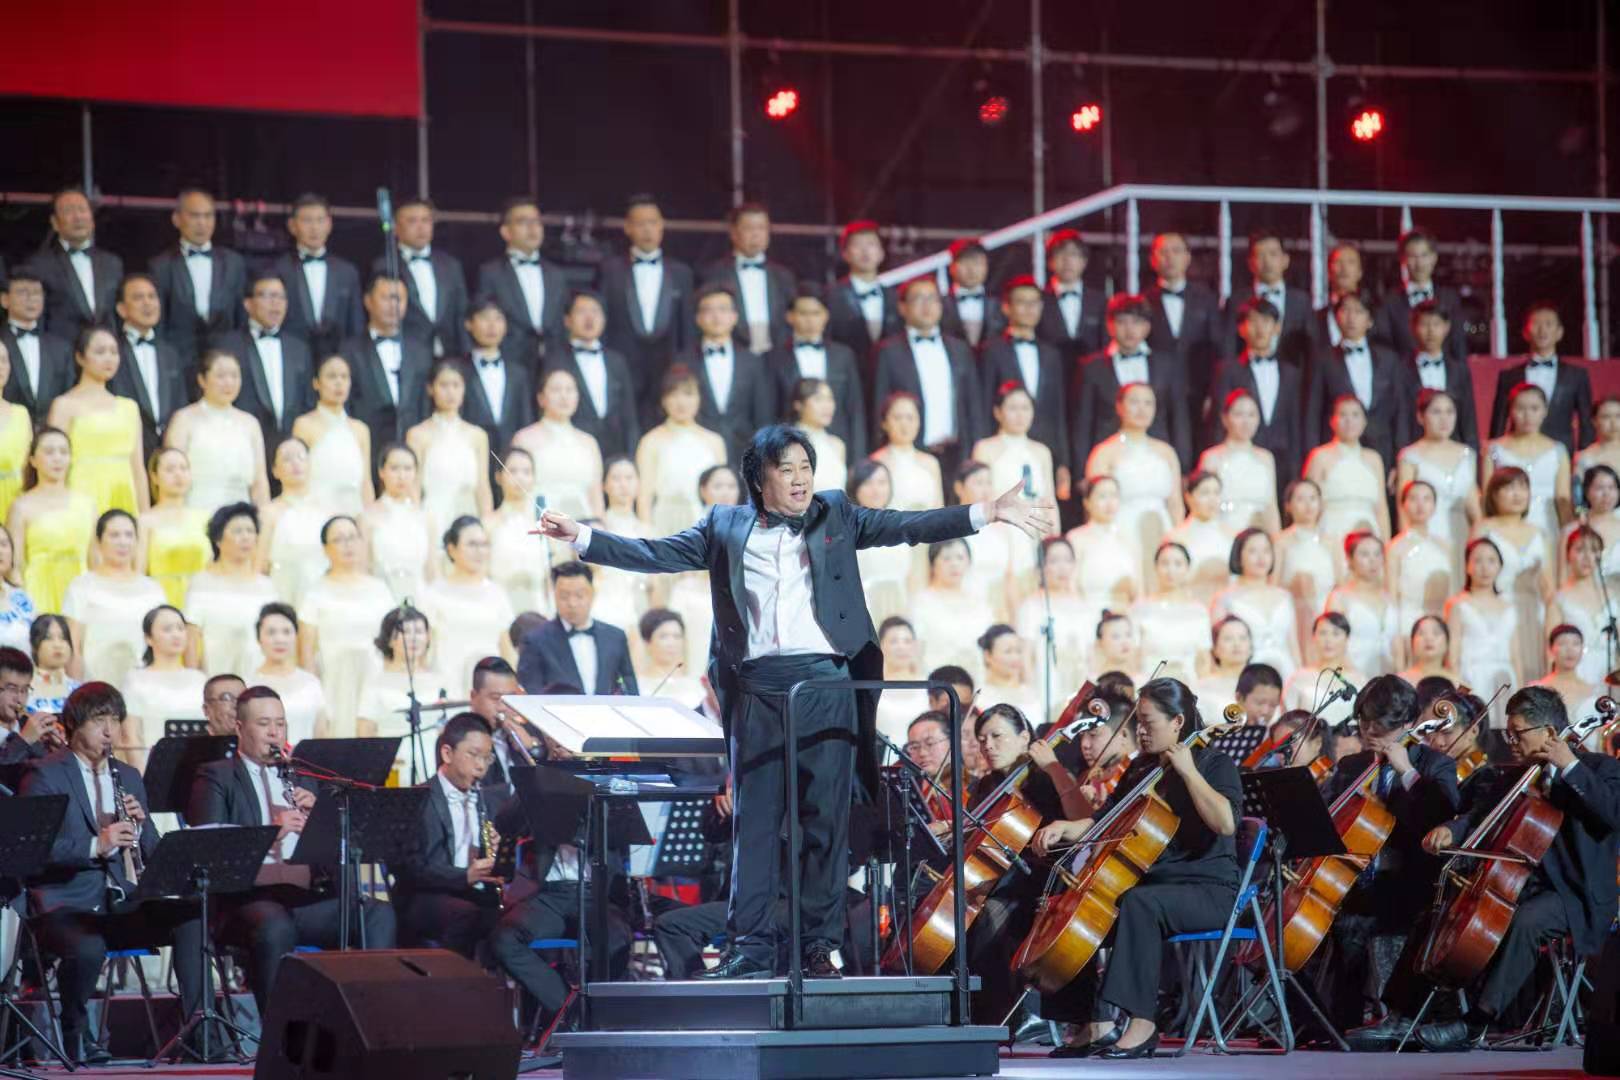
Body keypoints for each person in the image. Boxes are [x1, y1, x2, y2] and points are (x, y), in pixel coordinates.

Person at [533, 423, 1052, 980]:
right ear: (760, 479)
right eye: (787, 469)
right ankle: (749, 948)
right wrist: (582, 536)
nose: (801, 479)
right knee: (754, 825)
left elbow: (907, 526)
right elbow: (655, 553)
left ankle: (819, 947)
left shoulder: (836, 514)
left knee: (824, 824)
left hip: (825, 686)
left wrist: (986, 512)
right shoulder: (724, 525)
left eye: (806, 467)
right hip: (757, 690)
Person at [1032, 678, 1242, 1059]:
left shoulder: (1214, 763)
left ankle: (1143, 1024)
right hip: (1154, 884)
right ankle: (1092, 1022)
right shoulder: (1142, 767)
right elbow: (1106, 822)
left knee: (1139, 904)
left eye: (1148, 723)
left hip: (1208, 888)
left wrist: (1189, 772)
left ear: (1178, 722)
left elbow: (1226, 823)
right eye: (1138, 723)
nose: (1140, 731)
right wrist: (1066, 828)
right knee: (1080, 905)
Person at [1409, 687, 1620, 1051]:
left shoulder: (1602, 769)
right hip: (1524, 884)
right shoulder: (1518, 776)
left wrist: (1569, 765)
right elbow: (1481, 815)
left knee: (1527, 920)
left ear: (1549, 733)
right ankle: (1411, 1011)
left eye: (1517, 734)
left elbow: (1612, 813)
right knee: (1439, 906)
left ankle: (1476, 1022)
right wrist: (1452, 829)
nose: (1511, 743)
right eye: (1508, 734)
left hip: (1577, 893)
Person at [21, 682, 206, 1065]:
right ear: (73, 726)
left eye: (115, 721)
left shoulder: (128, 775)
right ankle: (77, 1032)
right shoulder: (44, 775)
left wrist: (140, 826)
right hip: (66, 904)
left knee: (191, 918)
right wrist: (97, 844)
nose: (109, 731)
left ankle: (197, 1032)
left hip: (120, 902)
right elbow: (35, 850)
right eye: (98, 721)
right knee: (88, 947)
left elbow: (153, 851)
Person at [187, 686, 396, 1019]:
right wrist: (273, 832)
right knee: (275, 926)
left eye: (281, 724)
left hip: (303, 898)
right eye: (264, 724)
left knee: (375, 913)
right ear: (240, 728)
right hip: (246, 900)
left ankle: (371, 1018)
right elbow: (211, 850)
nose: (275, 732)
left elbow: (332, 849)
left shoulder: (301, 776)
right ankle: (278, 1033)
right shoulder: (216, 776)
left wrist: (321, 820)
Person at [1323, 675, 1461, 1038]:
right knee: (1331, 917)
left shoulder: (1433, 765)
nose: (1370, 731)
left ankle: (1392, 1017)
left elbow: (1443, 813)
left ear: (1408, 723)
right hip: (1356, 879)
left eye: (1381, 725)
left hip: (1409, 884)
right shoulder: (1352, 766)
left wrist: (1406, 772)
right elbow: (1324, 821)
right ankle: (1335, 1022)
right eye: (1364, 721)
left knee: (1361, 920)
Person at [956, 705, 1075, 1026]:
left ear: (1024, 738)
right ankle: (961, 1005)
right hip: (999, 877)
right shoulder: (986, 785)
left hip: (1041, 879)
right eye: (982, 740)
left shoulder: (1045, 778)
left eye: (997, 736)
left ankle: (1000, 1015)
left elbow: (1080, 820)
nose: (988, 746)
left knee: (990, 912)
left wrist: (1054, 770)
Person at [393, 711, 510, 957]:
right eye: (473, 755)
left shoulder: (487, 800)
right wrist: (464, 876)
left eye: (487, 758)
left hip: (472, 892)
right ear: (447, 753)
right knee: (465, 915)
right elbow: (409, 868)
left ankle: (490, 980)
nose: (481, 766)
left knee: (513, 919)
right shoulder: (418, 798)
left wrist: (498, 851)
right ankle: (455, 980)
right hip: (424, 896)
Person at [872, 277, 983, 482]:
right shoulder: (888, 351)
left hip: (958, 453)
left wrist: (975, 452)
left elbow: (973, 405)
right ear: (902, 307)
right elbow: (880, 405)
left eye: (932, 298)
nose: (927, 305)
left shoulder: (960, 349)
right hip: (910, 454)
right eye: (918, 299)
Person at [298, 516, 396, 736]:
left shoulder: (380, 589)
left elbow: (394, 644)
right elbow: (307, 656)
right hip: (334, 687)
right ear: (325, 549)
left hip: (375, 684)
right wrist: (317, 703)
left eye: (352, 537)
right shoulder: (315, 593)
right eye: (339, 539)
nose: (348, 545)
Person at [1072, 292, 1190, 474]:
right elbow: (1083, 422)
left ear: (1147, 327)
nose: (1129, 329)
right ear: (1109, 325)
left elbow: (1179, 419)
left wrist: (1184, 467)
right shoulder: (1092, 367)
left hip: (1156, 458)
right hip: (1108, 461)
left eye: (1136, 322)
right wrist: (1081, 472)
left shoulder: (1166, 365)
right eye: (1121, 322)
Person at [597, 193, 695, 408]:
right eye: (640, 224)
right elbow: (603, 320)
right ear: (628, 228)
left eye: (653, 223)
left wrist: (684, 366)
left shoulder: (681, 272)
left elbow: (687, 328)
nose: (647, 230)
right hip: (624, 366)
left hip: (669, 368)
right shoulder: (610, 270)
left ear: (662, 226)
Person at [1085, 383, 1184, 582]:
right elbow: (1094, 506)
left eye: (1148, 403)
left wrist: (1178, 540)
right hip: (1122, 529)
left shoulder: (1166, 452)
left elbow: (1175, 503)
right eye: (1134, 402)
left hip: (1161, 528)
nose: (1142, 409)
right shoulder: (1104, 453)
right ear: (1119, 406)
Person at [979, 276, 1069, 494]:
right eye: (1021, 302)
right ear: (1006, 307)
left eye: (1034, 303)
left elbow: (1058, 410)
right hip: (1002, 448)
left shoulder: (1051, 354)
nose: (1029, 309)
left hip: (1043, 448)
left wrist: (1063, 461)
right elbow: (984, 403)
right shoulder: (992, 351)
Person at [210, 273, 315, 455]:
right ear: (248, 304)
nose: (276, 303)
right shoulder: (229, 345)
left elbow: (308, 402)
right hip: (241, 445)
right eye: (267, 296)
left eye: (281, 297)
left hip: (291, 451)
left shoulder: (299, 348)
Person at [62, 510, 166, 690]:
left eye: (129, 535)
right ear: (99, 541)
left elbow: (162, 647)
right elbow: (73, 648)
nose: (123, 542)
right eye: (114, 535)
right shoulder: (81, 586)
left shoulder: (153, 589)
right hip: (95, 687)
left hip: (143, 688)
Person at [50, 327, 148, 516]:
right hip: (81, 492)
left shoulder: (129, 407)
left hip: (123, 492)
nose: (109, 358)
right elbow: (53, 460)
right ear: (80, 357)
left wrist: (144, 516)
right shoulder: (64, 405)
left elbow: (138, 469)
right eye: (100, 352)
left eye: (114, 352)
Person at [1206, 299, 1305, 484]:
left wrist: (1296, 471)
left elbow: (1295, 425)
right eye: (1253, 321)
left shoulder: (1291, 373)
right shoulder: (1228, 371)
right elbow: (1219, 420)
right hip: (1240, 458)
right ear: (1241, 329)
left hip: (1283, 461)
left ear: (1277, 328)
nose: (1260, 329)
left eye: (1266, 321)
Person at [1474, 467, 1556, 681]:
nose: (1517, 494)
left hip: (1533, 612)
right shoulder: (1484, 529)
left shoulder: (1539, 532)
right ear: (1494, 494)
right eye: (1509, 487)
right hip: (1496, 612)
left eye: (1522, 487)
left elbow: (1548, 585)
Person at [163, 350, 270, 514]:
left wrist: (263, 518)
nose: (229, 382)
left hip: (241, 517)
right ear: (202, 380)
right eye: (220, 376)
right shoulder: (184, 419)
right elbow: (171, 474)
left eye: (234, 376)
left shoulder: (250, 423)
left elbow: (259, 482)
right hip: (195, 512)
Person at [418, 516, 515, 694]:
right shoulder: (433, 594)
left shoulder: (497, 593)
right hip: (448, 690)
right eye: (472, 544)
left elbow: (507, 649)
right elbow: (422, 653)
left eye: (484, 544)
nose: (479, 551)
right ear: (451, 549)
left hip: (491, 692)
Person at [151, 188, 247, 364]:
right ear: (176, 219)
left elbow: (241, 319)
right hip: (178, 360)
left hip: (224, 360)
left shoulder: (234, 263)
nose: (202, 223)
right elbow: (159, 322)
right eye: (194, 216)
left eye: (208, 216)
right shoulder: (161, 266)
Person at [1395, 388, 1480, 585]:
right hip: (1425, 533)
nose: (1444, 419)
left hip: (1460, 534)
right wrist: (1408, 546)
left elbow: (1474, 506)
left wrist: (1478, 541)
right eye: (1436, 412)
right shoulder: (1410, 456)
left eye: (1450, 412)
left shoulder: (1467, 455)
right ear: (1420, 417)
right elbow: (1403, 506)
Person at [772, 282, 866, 459]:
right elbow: (770, 410)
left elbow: (854, 408)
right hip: (789, 448)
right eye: (803, 313)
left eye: (815, 313)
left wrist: (858, 458)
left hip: (838, 446)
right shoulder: (774, 358)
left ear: (825, 316)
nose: (810, 320)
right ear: (790, 316)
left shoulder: (844, 356)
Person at [1307, 293, 1400, 471]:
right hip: (1335, 451)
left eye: (1358, 311)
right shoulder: (1323, 360)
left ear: (1370, 320)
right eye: (1345, 311)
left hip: (1382, 450)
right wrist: (1313, 455)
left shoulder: (1389, 359)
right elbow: (1313, 411)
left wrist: (1398, 460)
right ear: (1336, 318)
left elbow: (1399, 411)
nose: (1351, 318)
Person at [1485, 381, 1571, 572]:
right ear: (1511, 411)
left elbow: (1562, 499)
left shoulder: (1558, 450)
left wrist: (1569, 536)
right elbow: (1487, 497)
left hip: (1547, 525)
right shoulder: (1494, 450)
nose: (1527, 415)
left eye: (1534, 408)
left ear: (1545, 411)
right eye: (1520, 408)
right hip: (1504, 526)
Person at [544, 289, 639, 461]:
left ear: (604, 319)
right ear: (567, 320)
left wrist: (631, 456)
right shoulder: (555, 361)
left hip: (616, 455)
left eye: (595, 311)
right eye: (581, 311)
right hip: (571, 452)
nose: (589, 318)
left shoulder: (616, 361)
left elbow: (629, 415)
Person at [9, 428, 96, 614]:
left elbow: (95, 559)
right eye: (49, 452)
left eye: (64, 452)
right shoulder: (21, 506)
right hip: (37, 595)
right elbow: (14, 565)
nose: (57, 458)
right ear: (33, 460)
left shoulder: (87, 504)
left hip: (80, 593)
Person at [516, 562, 636, 696]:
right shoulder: (535, 641)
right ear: (554, 596)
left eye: (579, 595)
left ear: (592, 594)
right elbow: (531, 694)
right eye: (564, 596)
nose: (572, 603)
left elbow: (630, 689)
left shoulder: (615, 637)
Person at [1490, 302, 1594, 456]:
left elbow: (1586, 423)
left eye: (1548, 324)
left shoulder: (1576, 376)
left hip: (1561, 455)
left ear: (1559, 332)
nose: (1542, 330)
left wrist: (1584, 458)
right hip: (1518, 453)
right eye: (1536, 324)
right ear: (1525, 333)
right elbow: (1498, 423)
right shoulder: (1509, 376)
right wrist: (1493, 455)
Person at [354, 605, 447, 776]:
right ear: (390, 640)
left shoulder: (439, 681)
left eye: (419, 631)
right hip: (394, 768)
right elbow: (365, 735)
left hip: (433, 767)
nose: (413, 638)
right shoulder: (376, 682)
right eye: (405, 632)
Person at [634, 366, 728, 535]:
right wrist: (647, 537)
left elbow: (724, 494)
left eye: (688, 394)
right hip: (665, 523)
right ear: (664, 400)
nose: (681, 402)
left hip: (706, 524)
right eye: (674, 395)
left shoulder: (715, 441)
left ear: (699, 398)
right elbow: (644, 496)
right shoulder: (651, 441)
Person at [186, 503, 276, 678]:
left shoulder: (267, 586)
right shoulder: (202, 583)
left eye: (250, 531)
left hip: (258, 679)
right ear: (218, 539)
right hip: (215, 677)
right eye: (237, 531)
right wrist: (193, 680)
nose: (245, 537)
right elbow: (191, 640)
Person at [372, 196, 468, 357]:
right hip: (405, 355)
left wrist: (466, 355)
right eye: (412, 221)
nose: (421, 227)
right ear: (395, 227)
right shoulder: (385, 265)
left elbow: (461, 313)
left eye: (426, 220)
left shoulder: (451, 265)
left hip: (449, 355)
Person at [341, 274, 430, 448]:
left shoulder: (421, 351)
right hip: (365, 446)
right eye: (386, 298)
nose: (393, 305)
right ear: (368, 301)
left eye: (399, 299)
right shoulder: (349, 350)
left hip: (413, 449)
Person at [271, 193, 364, 357]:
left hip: (338, 361)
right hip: (292, 359)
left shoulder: (347, 272)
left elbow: (356, 325)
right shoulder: (278, 269)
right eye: (307, 220)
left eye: (320, 220)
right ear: (292, 226)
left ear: (329, 224)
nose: (314, 228)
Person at [476, 197, 568, 363]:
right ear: (506, 232)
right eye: (523, 222)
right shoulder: (490, 272)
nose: (532, 228)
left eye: (536, 222)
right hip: (509, 360)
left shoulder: (557, 274)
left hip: (552, 362)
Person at [23, 187, 123, 338]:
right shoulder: (39, 265)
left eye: (82, 210)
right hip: (61, 349)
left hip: (106, 349)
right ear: (55, 223)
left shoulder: (112, 264)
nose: (78, 217)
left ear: (92, 219)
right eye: (69, 211)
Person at [1145, 232, 1222, 427]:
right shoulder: (1144, 301)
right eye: (1163, 252)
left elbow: (1217, 348)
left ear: (1187, 258)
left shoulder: (1207, 299)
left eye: (1176, 251)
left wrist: (1213, 392)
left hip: (1198, 391)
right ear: (1152, 260)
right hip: (1156, 392)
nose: (1170, 257)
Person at [1064, 476, 1142, 665]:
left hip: (1125, 620)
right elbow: (1071, 587)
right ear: (1087, 502)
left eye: (1114, 496)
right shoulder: (1076, 538)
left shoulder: (1129, 537)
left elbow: (1140, 590)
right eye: (1102, 496)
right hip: (1088, 617)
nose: (1109, 503)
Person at [700, 202, 795, 355]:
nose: (756, 234)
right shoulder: (715, 273)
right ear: (733, 233)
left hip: (776, 355)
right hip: (733, 355)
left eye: (762, 228)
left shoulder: (783, 276)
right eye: (749, 228)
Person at [1306, 395, 1391, 561]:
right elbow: (1310, 504)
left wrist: (1385, 545)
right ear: (1332, 421)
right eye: (1343, 415)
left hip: (1369, 531)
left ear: (1364, 422)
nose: (1349, 421)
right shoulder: (1320, 456)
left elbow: (1381, 508)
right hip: (1332, 530)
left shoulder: (1374, 459)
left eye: (1355, 415)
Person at [407, 361, 493, 527]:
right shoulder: (417, 435)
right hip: (433, 517)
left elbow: (482, 486)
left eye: (456, 385)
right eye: (444, 385)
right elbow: (414, 486)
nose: (450, 392)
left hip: (469, 517)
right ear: (430, 389)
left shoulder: (478, 435)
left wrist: (486, 523)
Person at [1445, 538, 1520, 727]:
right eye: (1478, 561)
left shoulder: (1509, 605)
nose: (1485, 568)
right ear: (1467, 566)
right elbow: (1452, 655)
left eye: (1491, 561)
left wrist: (1520, 692)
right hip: (1473, 678)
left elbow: (1516, 655)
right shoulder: (1458, 604)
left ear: (1500, 566)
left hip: (1505, 679)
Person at [513, 368, 604, 521]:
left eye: (570, 390)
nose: (564, 396)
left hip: (583, 524)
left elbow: (596, 496)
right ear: (541, 398)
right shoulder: (524, 439)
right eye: (556, 390)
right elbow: (516, 492)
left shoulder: (589, 442)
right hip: (539, 522)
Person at [119, 604, 206, 765]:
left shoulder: (200, 680)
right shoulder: (136, 679)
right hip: (153, 767)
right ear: (148, 638)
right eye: (167, 629)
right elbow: (131, 737)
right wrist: (140, 776)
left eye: (180, 628)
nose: (176, 634)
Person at [1015, 537, 1093, 713]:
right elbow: (1025, 655)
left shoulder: (1084, 606)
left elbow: (1090, 655)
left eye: (1067, 560)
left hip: (1078, 686)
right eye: (1054, 561)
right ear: (1041, 567)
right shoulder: (1031, 606)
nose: (1062, 567)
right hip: (1044, 690)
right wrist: (1031, 695)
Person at [289, 354, 373, 514]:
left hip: (354, 512)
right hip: (316, 512)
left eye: (344, 377)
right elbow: (297, 476)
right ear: (316, 383)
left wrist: (368, 517)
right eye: (331, 376)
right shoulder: (304, 425)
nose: (339, 382)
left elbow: (366, 483)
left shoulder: (361, 429)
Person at [1393, 300, 1480, 452]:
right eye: (1424, 324)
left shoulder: (1459, 370)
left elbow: (1468, 418)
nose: (1431, 331)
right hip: (1415, 450)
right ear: (1413, 327)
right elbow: (1400, 419)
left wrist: (1472, 454)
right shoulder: (1399, 370)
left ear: (1447, 327)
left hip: (1453, 450)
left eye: (1436, 324)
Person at [1212, 529, 1299, 680]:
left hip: (1286, 671)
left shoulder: (1284, 596)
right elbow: (1217, 648)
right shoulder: (1225, 598)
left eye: (1266, 551)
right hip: (1246, 676)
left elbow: (1293, 646)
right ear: (1239, 556)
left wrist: (1298, 676)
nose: (1261, 557)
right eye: (1253, 551)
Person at [457, 297, 535, 464]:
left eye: (498, 318)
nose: (492, 326)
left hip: (511, 461)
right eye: (485, 318)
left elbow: (525, 419)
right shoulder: (458, 371)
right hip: (469, 457)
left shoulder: (519, 373)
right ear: (469, 324)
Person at [256, 437, 330, 607]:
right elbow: (260, 568)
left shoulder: (328, 510)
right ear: (275, 471)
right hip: (282, 597)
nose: (295, 463)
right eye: (287, 459)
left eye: (301, 457)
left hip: (322, 599)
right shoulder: (268, 513)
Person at [1223, 229, 1312, 367]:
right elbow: (1229, 348)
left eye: (1273, 254)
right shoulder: (1236, 301)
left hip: (1293, 377)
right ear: (1250, 263)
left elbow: (1311, 350)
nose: (1267, 261)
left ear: (1285, 260)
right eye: (1260, 255)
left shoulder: (1302, 301)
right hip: (1247, 376)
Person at [1196, 389, 1280, 534]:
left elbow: (1271, 507)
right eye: (1238, 414)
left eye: (1251, 415)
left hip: (1259, 534)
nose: (1245, 422)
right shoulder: (1211, 458)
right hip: (1222, 532)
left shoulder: (1266, 458)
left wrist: (1276, 539)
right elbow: (1202, 505)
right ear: (1225, 418)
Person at [359, 443, 435, 604]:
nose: (401, 476)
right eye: (394, 469)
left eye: (408, 469)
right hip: (380, 598)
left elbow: (431, 570)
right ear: (381, 472)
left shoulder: (425, 518)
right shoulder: (366, 517)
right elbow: (363, 569)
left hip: (420, 599)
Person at [1386, 481, 1454, 658]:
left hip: (1440, 621)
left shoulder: (1445, 546)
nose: (1420, 505)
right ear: (1403, 505)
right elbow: (1392, 596)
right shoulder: (1395, 547)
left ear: (1434, 505)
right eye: (1413, 499)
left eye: (1426, 499)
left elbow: (1451, 592)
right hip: (1408, 620)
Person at [1130, 541, 1212, 686]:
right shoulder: (1139, 608)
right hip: (1149, 684)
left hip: (1188, 686)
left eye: (1178, 564)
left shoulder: (1198, 611)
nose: (1171, 570)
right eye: (1165, 563)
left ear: (1187, 568)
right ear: (1155, 567)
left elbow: (1204, 660)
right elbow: (1132, 655)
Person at [138, 448, 212, 607]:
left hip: (200, 601)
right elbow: (139, 574)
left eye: (183, 468)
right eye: (170, 469)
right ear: (154, 477)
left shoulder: (205, 518)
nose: (178, 475)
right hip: (160, 603)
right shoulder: (145, 521)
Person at [1545, 526, 1617, 686]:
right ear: (1568, 554)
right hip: (1577, 672)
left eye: (1594, 550)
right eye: (1580, 550)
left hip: (1610, 671)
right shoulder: (1558, 599)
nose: (1587, 557)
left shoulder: (1612, 595)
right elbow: (1551, 652)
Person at [1, 270, 76, 423]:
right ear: (4, 300)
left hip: (53, 432)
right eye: (23, 292)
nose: (31, 299)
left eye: (37, 293)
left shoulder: (61, 348)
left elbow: (69, 393)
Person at [250, 604, 327, 746]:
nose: (280, 639)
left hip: (303, 759)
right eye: (271, 632)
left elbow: (321, 737)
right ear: (259, 638)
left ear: (296, 637)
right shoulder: (249, 685)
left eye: (286, 632)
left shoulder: (311, 683)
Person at [1327, 531, 1399, 678]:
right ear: (1350, 559)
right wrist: (1356, 679)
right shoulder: (1340, 598)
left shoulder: (1388, 598)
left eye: (1377, 554)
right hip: (1353, 676)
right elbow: (1334, 643)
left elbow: (1396, 643)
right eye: (1365, 554)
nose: (1373, 560)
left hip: (1388, 677)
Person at [826, 220, 900, 361]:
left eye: (871, 244)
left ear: (881, 253)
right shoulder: (831, 295)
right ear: (845, 254)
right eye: (857, 245)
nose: (865, 251)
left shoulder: (894, 297)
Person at [1282, 612, 1363, 727]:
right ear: (1313, 637)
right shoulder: (1298, 678)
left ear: (1347, 638)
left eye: (1336, 634)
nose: (1328, 640)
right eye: (1323, 633)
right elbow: (1287, 721)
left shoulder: (1359, 680)